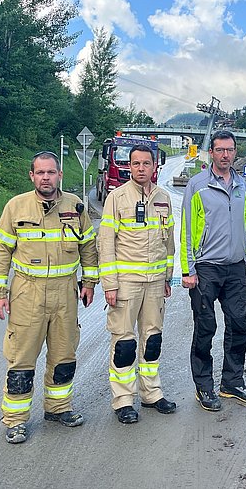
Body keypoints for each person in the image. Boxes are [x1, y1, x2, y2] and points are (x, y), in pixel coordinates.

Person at [0, 151, 98, 444]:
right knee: (21, 358)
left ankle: (58, 408)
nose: (46, 177)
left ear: (59, 175)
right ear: (32, 176)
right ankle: (16, 420)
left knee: (64, 355)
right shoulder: (16, 207)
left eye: (51, 172)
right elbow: (0, 251)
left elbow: (88, 246)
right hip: (27, 292)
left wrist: (90, 281)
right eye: (40, 173)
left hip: (65, 291)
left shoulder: (76, 205)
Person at [180, 130, 246, 411]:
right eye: (220, 150)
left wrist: (245, 254)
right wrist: (189, 269)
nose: (225, 155)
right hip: (206, 269)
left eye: (229, 150)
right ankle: (204, 387)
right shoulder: (197, 185)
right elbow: (187, 230)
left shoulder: (242, 184)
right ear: (211, 153)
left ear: (235, 152)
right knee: (206, 327)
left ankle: (232, 381)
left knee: (239, 325)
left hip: (236, 268)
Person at [99, 144, 176, 424]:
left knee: (152, 340)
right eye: (136, 163)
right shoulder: (116, 198)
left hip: (155, 284)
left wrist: (167, 278)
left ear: (155, 166)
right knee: (124, 343)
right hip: (126, 284)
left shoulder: (163, 198)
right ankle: (123, 400)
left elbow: (169, 244)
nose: (141, 168)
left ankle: (151, 394)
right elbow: (105, 243)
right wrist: (110, 284)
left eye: (146, 163)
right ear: (129, 166)